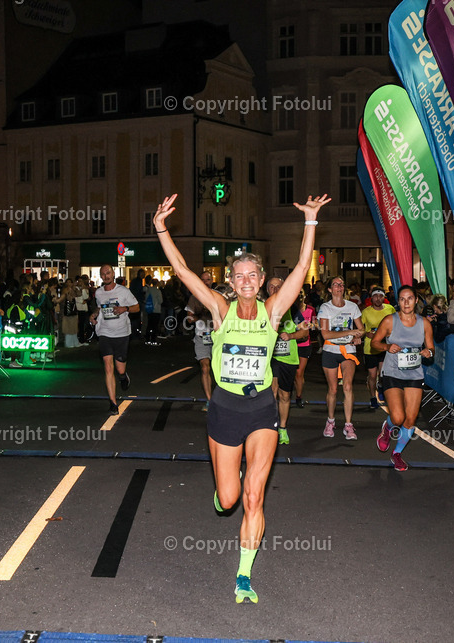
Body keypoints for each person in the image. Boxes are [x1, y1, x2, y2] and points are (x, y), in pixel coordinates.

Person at [154, 191, 328, 604]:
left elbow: (303, 267)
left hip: (262, 409)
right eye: (240, 276)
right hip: (225, 408)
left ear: (262, 278)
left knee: (254, 496)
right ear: (230, 282)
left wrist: (310, 221)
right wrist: (161, 227)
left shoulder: (272, 311)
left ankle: (244, 576)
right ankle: (221, 487)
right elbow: (181, 270)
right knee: (228, 500)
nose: (247, 280)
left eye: (254, 274)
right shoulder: (219, 309)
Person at [371, 285, 434, 471]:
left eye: (410, 298)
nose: (406, 302)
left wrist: (428, 352)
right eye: (402, 299)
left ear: (416, 300)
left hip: (414, 374)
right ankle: (388, 428)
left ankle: (397, 454)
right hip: (392, 372)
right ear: (398, 301)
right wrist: (386, 347)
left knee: (410, 419)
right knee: (398, 417)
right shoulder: (390, 321)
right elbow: (375, 342)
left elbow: (432, 349)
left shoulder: (425, 324)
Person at [318, 276, 364, 439]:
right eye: (335, 284)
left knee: (348, 386)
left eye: (341, 284)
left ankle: (348, 425)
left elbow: (361, 329)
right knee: (333, 389)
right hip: (331, 350)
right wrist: (349, 332)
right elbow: (325, 334)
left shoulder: (352, 306)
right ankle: (330, 421)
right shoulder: (325, 308)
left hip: (348, 350)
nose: (339, 286)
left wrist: (358, 335)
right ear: (330, 289)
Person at [90, 265, 139, 414]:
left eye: (108, 273)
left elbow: (136, 307)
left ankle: (123, 377)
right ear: (100, 276)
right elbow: (100, 308)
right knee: (108, 366)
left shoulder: (123, 291)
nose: (106, 276)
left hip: (122, 334)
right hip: (104, 333)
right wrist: (94, 314)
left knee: (119, 369)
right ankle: (113, 403)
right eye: (103, 274)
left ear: (113, 274)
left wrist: (124, 309)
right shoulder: (98, 293)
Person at [267, 277, 308, 446]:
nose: (275, 290)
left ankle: (282, 428)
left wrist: (290, 335)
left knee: (284, 395)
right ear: (267, 289)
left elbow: (304, 332)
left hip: (288, 358)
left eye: (279, 287)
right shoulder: (263, 308)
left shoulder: (292, 310)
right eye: (272, 287)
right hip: (270, 357)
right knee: (272, 391)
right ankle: (269, 427)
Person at [186, 271, 218, 407]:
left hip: (217, 337)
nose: (205, 282)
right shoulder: (194, 298)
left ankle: (221, 398)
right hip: (201, 336)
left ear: (212, 281)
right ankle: (209, 400)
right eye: (203, 280)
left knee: (219, 370)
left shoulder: (218, 297)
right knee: (205, 368)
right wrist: (200, 314)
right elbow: (189, 319)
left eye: (208, 279)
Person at [360, 288, 395, 409]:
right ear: (371, 298)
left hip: (384, 346)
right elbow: (360, 328)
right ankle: (372, 397)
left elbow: (395, 324)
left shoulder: (390, 309)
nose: (378, 298)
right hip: (370, 348)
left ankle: (380, 386)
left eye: (381, 296)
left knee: (382, 374)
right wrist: (366, 333)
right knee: (372, 375)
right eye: (376, 296)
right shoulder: (366, 312)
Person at [291, 290, 315, 409]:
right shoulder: (290, 309)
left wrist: (311, 325)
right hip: (291, 343)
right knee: (290, 373)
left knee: (299, 373)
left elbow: (317, 324)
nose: (299, 297)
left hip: (304, 344)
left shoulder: (310, 309)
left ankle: (298, 397)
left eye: (301, 294)